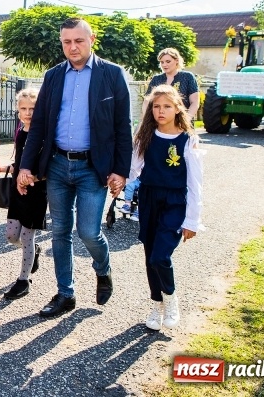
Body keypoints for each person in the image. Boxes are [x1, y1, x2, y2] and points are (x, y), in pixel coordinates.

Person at [18, 17, 132, 317]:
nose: (72, 47)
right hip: (56, 165)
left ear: (91, 39)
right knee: (60, 233)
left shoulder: (112, 75)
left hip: (92, 168)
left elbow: (123, 127)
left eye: (78, 41)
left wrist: (120, 170)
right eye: (67, 42)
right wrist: (26, 166)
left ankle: (103, 268)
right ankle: (65, 294)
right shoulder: (54, 76)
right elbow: (39, 124)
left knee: (89, 232)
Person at [128, 84, 203, 330]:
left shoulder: (187, 139)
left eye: (167, 106)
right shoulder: (146, 136)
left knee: (161, 255)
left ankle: (170, 299)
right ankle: (155, 303)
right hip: (149, 200)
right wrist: (120, 183)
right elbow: (134, 167)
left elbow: (195, 182)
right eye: (156, 106)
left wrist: (192, 221)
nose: (161, 111)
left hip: (174, 203)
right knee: (150, 256)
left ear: (177, 108)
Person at [1, 88, 47, 300]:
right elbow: (20, 161)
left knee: (27, 236)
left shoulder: (44, 134)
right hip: (17, 189)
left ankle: (23, 280)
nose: (28, 113)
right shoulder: (20, 130)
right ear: (18, 111)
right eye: (23, 108)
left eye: (32, 108)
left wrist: (31, 178)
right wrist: (5, 168)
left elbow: (47, 167)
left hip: (37, 191)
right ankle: (33, 250)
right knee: (11, 236)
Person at [142, 48, 199, 121]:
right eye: (162, 62)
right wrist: (146, 120)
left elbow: (194, 103)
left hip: (182, 123)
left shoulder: (188, 77)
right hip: (159, 124)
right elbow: (147, 102)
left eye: (168, 61)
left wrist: (186, 120)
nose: (164, 65)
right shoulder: (156, 79)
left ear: (177, 61)